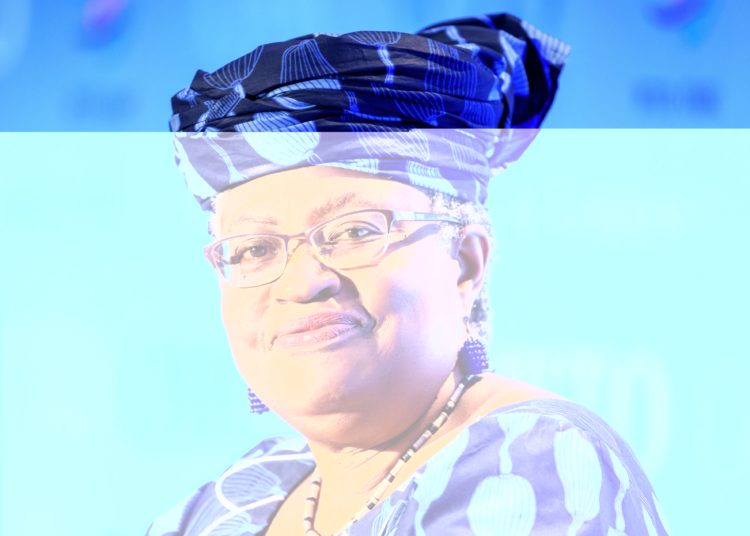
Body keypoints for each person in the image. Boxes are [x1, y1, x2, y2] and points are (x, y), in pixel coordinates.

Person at [147, 13, 669, 536]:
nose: (303, 283)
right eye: (255, 248)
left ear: (465, 262)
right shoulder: (238, 495)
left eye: (354, 231)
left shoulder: (533, 460)